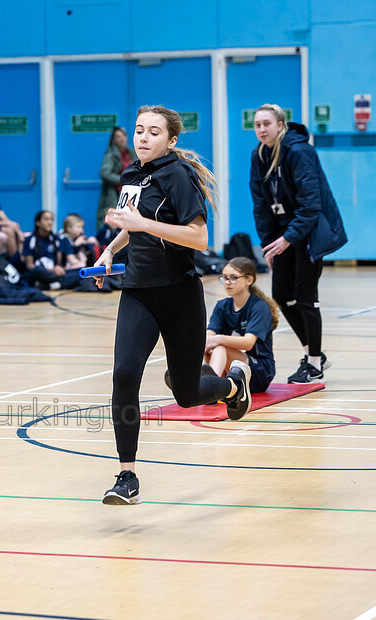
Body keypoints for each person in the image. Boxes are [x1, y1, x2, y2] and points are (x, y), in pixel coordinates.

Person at [91, 105, 253, 506]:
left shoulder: (177, 175)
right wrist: (109, 252)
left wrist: (145, 224)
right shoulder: (130, 175)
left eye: (153, 132)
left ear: (171, 140)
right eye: (139, 130)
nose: (143, 138)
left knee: (186, 394)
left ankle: (233, 385)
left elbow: (199, 238)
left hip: (179, 294)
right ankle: (127, 477)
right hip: (138, 291)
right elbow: (132, 226)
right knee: (124, 374)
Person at [251, 103, 347, 383]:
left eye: (267, 123)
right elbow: (260, 205)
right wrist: (269, 244)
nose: (262, 129)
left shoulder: (300, 151)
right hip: (282, 234)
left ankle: (314, 364)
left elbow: (310, 206)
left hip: (308, 231)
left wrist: (288, 239)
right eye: (257, 125)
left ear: (280, 125)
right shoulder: (258, 156)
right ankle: (314, 352)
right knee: (281, 294)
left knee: (305, 296)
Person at [165, 257, 278, 395]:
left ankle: (209, 388)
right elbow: (209, 334)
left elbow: (248, 343)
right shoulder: (222, 306)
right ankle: (194, 380)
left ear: (249, 280)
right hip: (230, 368)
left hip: (258, 371)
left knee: (219, 346)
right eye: (224, 278)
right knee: (208, 346)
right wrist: (207, 343)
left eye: (233, 278)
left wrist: (217, 339)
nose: (227, 282)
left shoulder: (259, 307)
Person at [22, 211, 74, 289]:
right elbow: (30, 266)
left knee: (79, 272)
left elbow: (58, 264)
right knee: (38, 270)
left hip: (54, 274)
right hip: (41, 272)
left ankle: (50, 284)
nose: (50, 222)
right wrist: (52, 270)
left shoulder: (57, 240)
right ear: (38, 223)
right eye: (46, 219)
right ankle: (58, 283)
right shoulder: (30, 240)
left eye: (51, 219)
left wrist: (58, 269)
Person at [98, 126, 136, 231]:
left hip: (130, 193)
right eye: (118, 136)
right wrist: (124, 180)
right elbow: (104, 173)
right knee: (112, 224)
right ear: (113, 139)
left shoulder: (132, 152)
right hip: (114, 194)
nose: (122, 138)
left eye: (123, 135)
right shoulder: (111, 154)